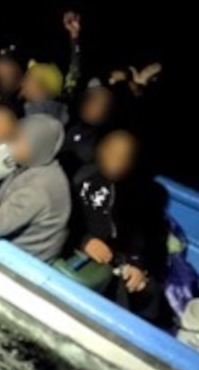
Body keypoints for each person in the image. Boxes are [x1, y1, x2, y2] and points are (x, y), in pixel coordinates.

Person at [72, 130, 169, 323]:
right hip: (84, 252)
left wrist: (138, 265)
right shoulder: (81, 178)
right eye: (113, 154)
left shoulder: (138, 191)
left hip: (117, 256)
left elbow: (144, 234)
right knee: (117, 295)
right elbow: (67, 219)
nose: (118, 162)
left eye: (126, 157)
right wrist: (85, 241)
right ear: (100, 150)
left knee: (151, 292)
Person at [0, 114, 71, 262]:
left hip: (17, 260)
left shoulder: (39, 190)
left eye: (19, 142)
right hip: (7, 239)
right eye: (14, 138)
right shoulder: (40, 164)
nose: (11, 147)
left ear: (39, 145)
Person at [60, 84, 113, 178]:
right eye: (90, 99)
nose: (90, 103)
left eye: (97, 102)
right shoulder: (67, 119)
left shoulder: (101, 142)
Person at [21, 60, 70, 125]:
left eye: (28, 79)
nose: (22, 83)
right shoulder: (58, 115)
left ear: (41, 87)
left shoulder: (35, 120)